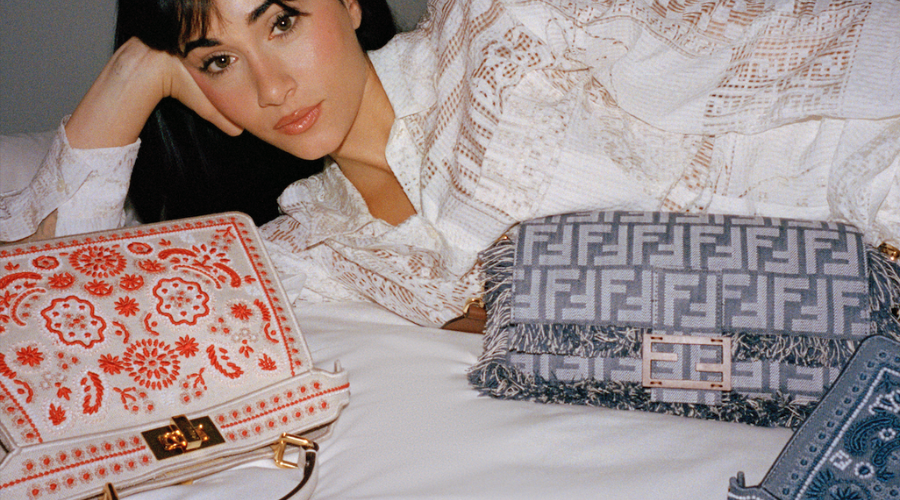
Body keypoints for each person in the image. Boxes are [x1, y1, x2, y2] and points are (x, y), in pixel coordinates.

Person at [2, 0, 899, 327]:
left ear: (348, 2)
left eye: (280, 19)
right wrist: (127, 78)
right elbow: (51, 303)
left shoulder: (510, 34)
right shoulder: (311, 241)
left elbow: (791, 89)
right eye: (217, 61)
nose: (270, 86)